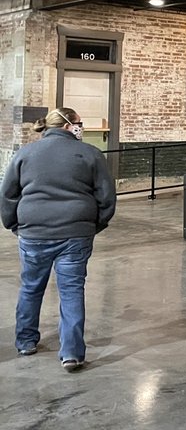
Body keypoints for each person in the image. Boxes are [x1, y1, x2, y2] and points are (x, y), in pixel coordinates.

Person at [1, 108, 116, 371]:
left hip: (33, 233)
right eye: (78, 124)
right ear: (68, 126)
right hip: (76, 234)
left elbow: (7, 194)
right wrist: (92, 225)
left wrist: (15, 225)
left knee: (31, 287)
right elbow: (107, 197)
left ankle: (26, 342)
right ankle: (72, 354)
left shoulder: (25, 154)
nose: (80, 128)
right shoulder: (89, 154)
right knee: (72, 290)